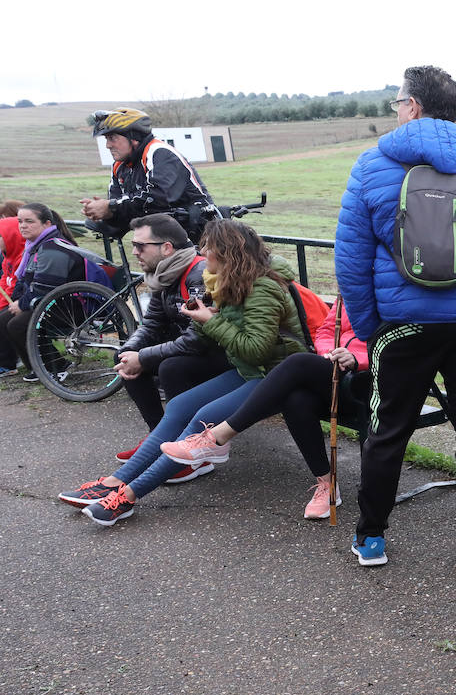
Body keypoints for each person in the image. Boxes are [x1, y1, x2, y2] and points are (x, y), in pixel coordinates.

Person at [336, 65, 456, 569]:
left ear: (415, 106)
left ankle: (371, 538)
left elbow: (351, 259)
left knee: (387, 430)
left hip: (400, 326)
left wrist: (369, 327)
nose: (397, 110)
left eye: (398, 102)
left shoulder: (371, 167)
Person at [58, 219, 307, 525]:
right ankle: (114, 481)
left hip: (275, 376)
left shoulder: (263, 288)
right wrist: (200, 319)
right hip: (249, 371)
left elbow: (256, 349)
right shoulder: (224, 282)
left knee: (200, 419)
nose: (203, 253)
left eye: (208, 248)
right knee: (178, 406)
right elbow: (206, 337)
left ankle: (128, 497)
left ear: (227, 253)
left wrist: (210, 321)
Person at [159, 300, 367, 520]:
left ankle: (217, 437)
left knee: (297, 363)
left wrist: (356, 359)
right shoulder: (349, 290)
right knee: (295, 399)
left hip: (368, 379)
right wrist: (331, 352)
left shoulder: (388, 291)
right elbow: (326, 330)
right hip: (336, 370)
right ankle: (327, 484)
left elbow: (394, 346)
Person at [113, 213, 231, 480]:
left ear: (166, 247)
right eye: (133, 245)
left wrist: (143, 357)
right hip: (193, 349)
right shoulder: (165, 274)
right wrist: (130, 351)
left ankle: (197, 454)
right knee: (125, 357)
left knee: (171, 367)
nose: (135, 252)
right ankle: (160, 439)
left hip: (221, 354)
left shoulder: (198, 274)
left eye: (140, 246)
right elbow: (151, 324)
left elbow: (199, 339)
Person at [0, 203, 101, 382]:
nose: (23, 226)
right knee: (5, 318)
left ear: (47, 224)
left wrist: (22, 305)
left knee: (18, 324)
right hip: (51, 302)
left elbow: (45, 288)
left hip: (69, 306)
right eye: (20, 221)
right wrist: (17, 300)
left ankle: (57, 367)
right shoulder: (35, 246)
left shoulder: (53, 248)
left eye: (29, 221)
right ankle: (37, 365)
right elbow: (24, 281)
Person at [80, 108, 215, 240]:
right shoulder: (119, 165)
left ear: (133, 137)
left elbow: (157, 199)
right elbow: (123, 206)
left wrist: (111, 206)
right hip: (160, 236)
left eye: (112, 138)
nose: (108, 145)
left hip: (198, 234)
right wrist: (103, 211)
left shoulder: (159, 153)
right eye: (106, 139)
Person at [0, 200, 25, 376]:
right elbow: (4, 281)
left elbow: (17, 287)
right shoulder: (7, 257)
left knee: (3, 318)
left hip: (21, 302)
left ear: (9, 235)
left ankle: (7, 364)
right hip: (11, 300)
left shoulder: (22, 258)